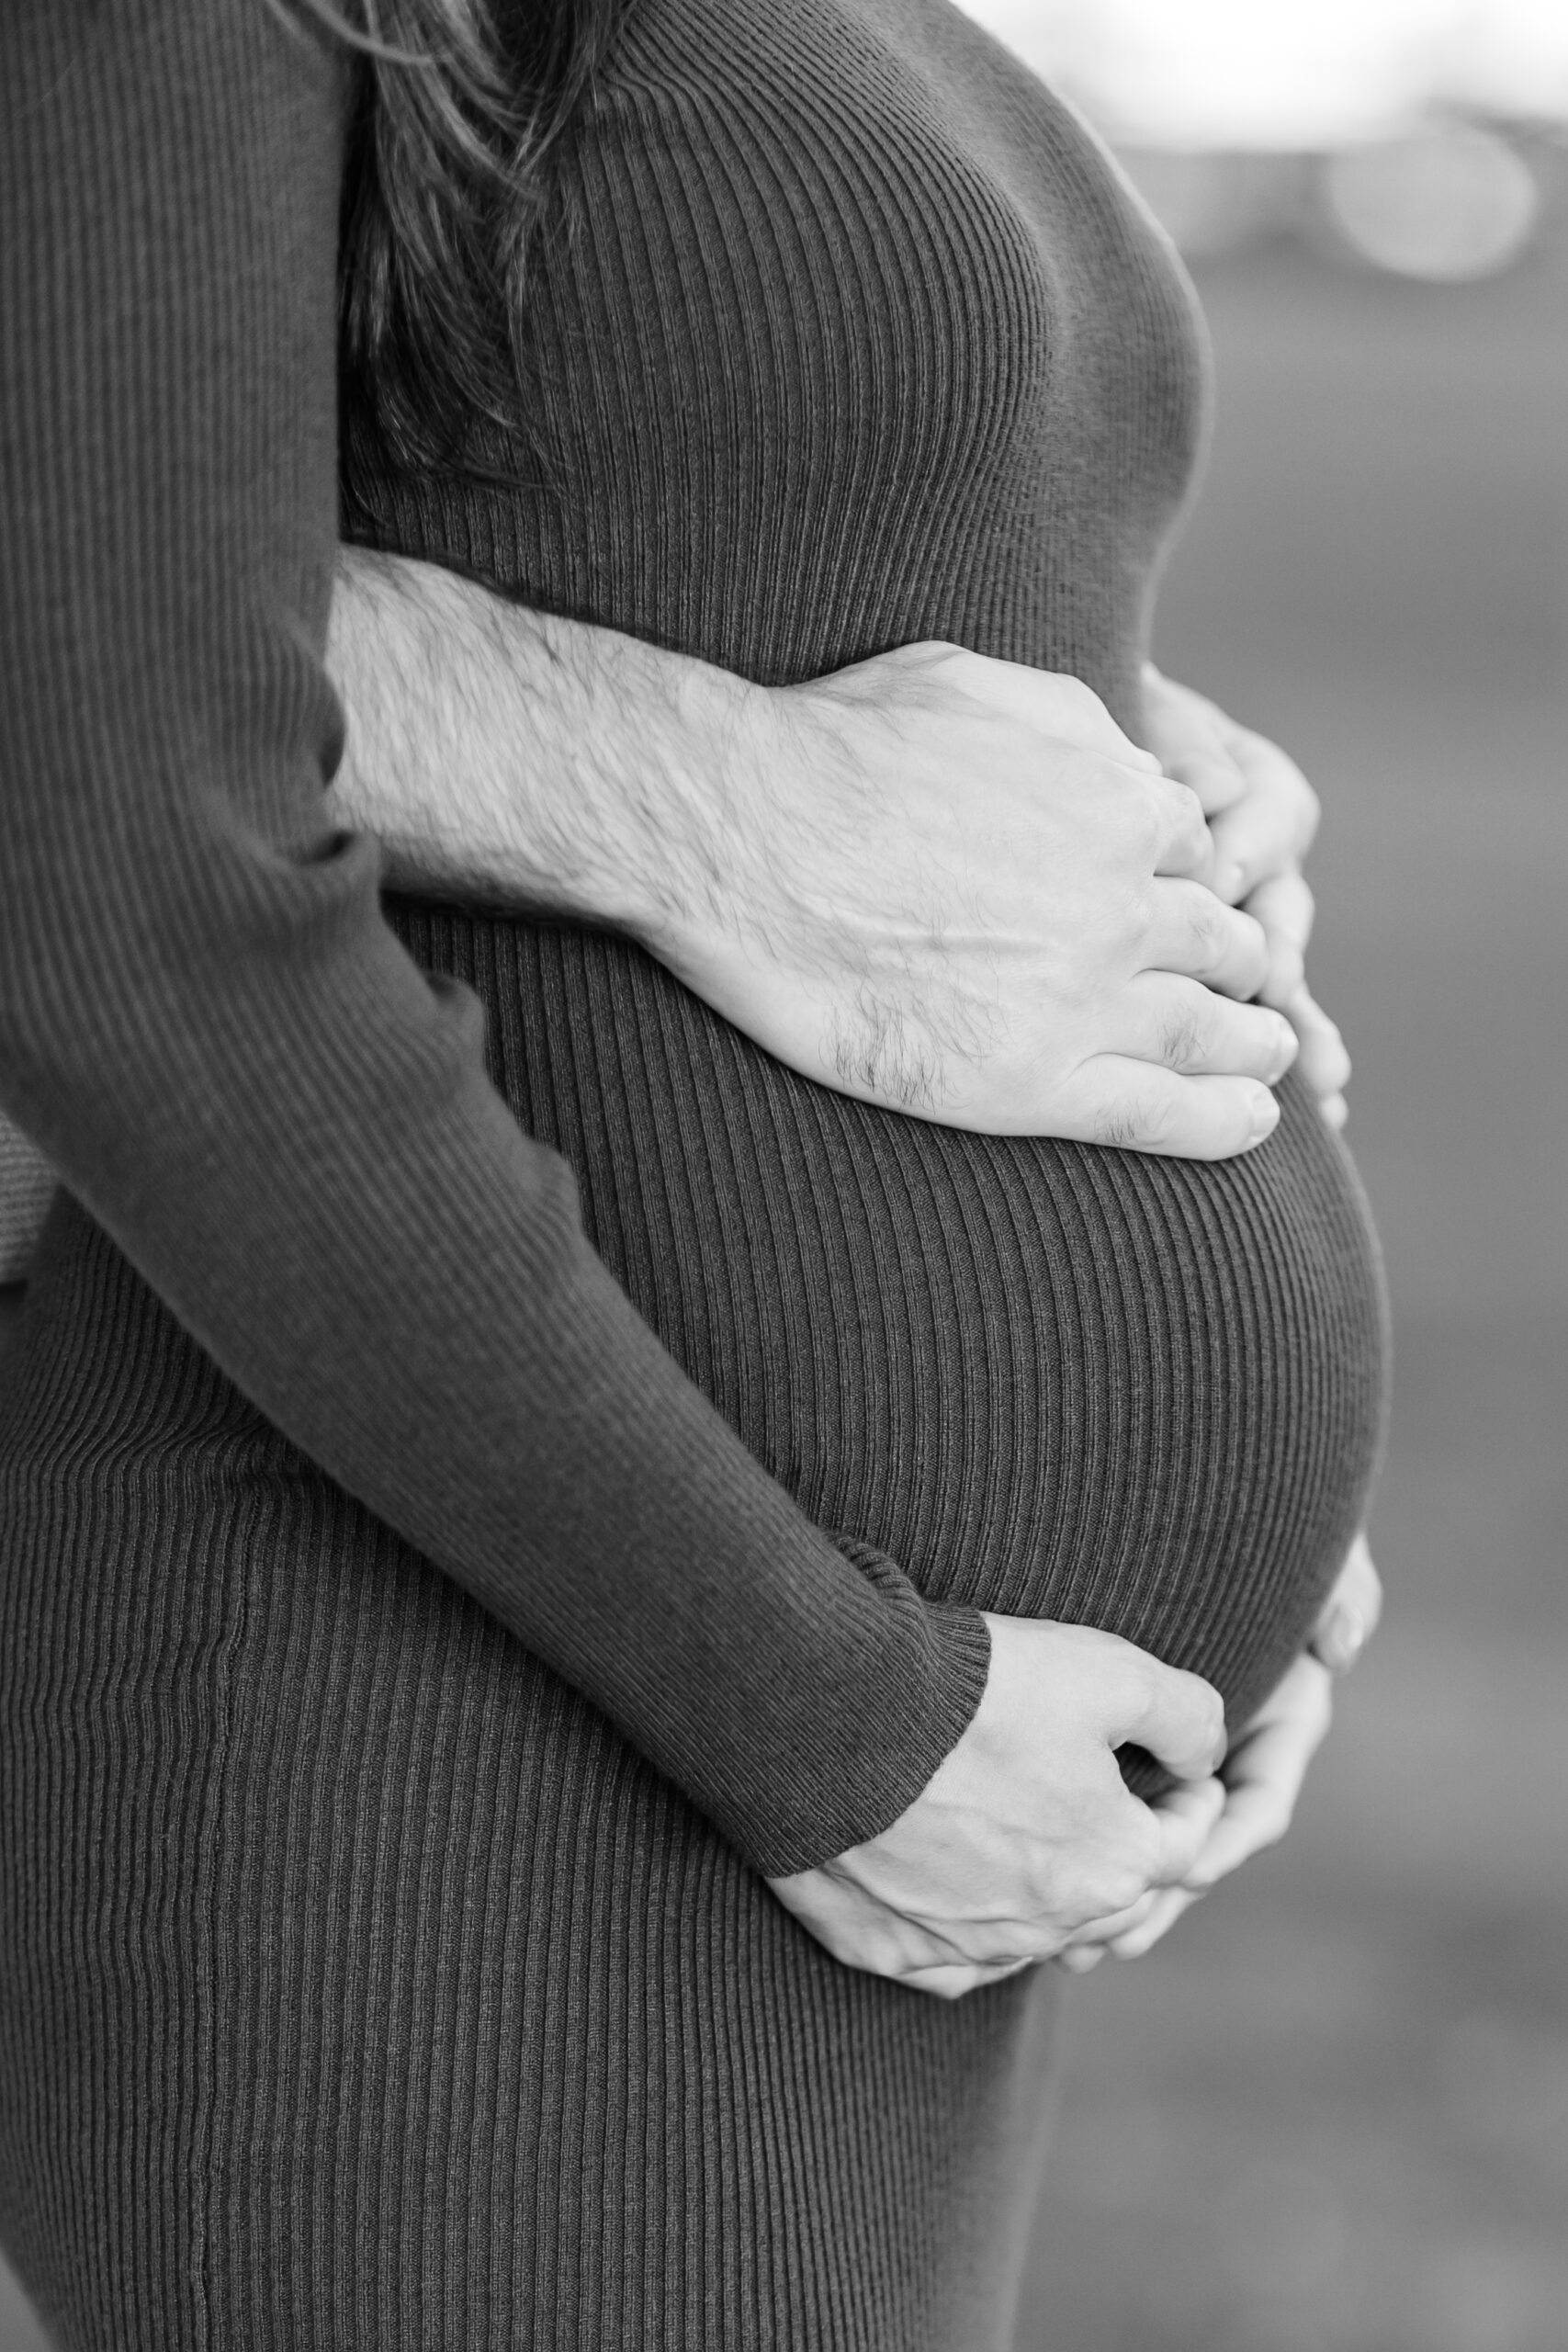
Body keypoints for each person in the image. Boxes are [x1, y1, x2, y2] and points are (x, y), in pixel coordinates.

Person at [0, 4, 1386, 2347]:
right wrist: (819, 1703)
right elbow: (120, 863)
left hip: (871, 1750)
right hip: (486, 1699)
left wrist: (1147, 826)